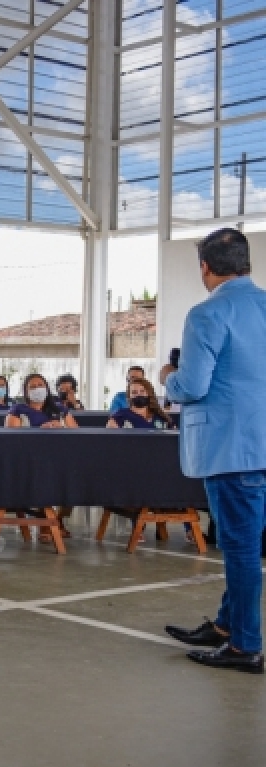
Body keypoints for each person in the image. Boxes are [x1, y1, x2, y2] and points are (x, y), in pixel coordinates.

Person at [161, 228, 266, 674]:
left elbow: (194, 385)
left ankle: (245, 645)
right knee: (249, 542)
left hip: (230, 448)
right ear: (247, 263)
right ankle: (227, 625)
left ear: (205, 267)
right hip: (261, 444)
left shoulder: (207, 314)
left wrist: (169, 376)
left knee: (240, 548)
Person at [6, 374, 79, 428]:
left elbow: (76, 436)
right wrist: (40, 432)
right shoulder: (18, 410)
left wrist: (61, 427)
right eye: (33, 387)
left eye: (40, 385)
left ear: (47, 389)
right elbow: (12, 441)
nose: (37, 389)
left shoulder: (60, 409)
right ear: (26, 392)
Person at [106, 378, 173, 430]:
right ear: (129, 397)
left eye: (142, 391)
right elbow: (111, 441)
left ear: (148, 393)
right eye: (134, 392)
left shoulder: (161, 417)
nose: (139, 394)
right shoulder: (120, 416)